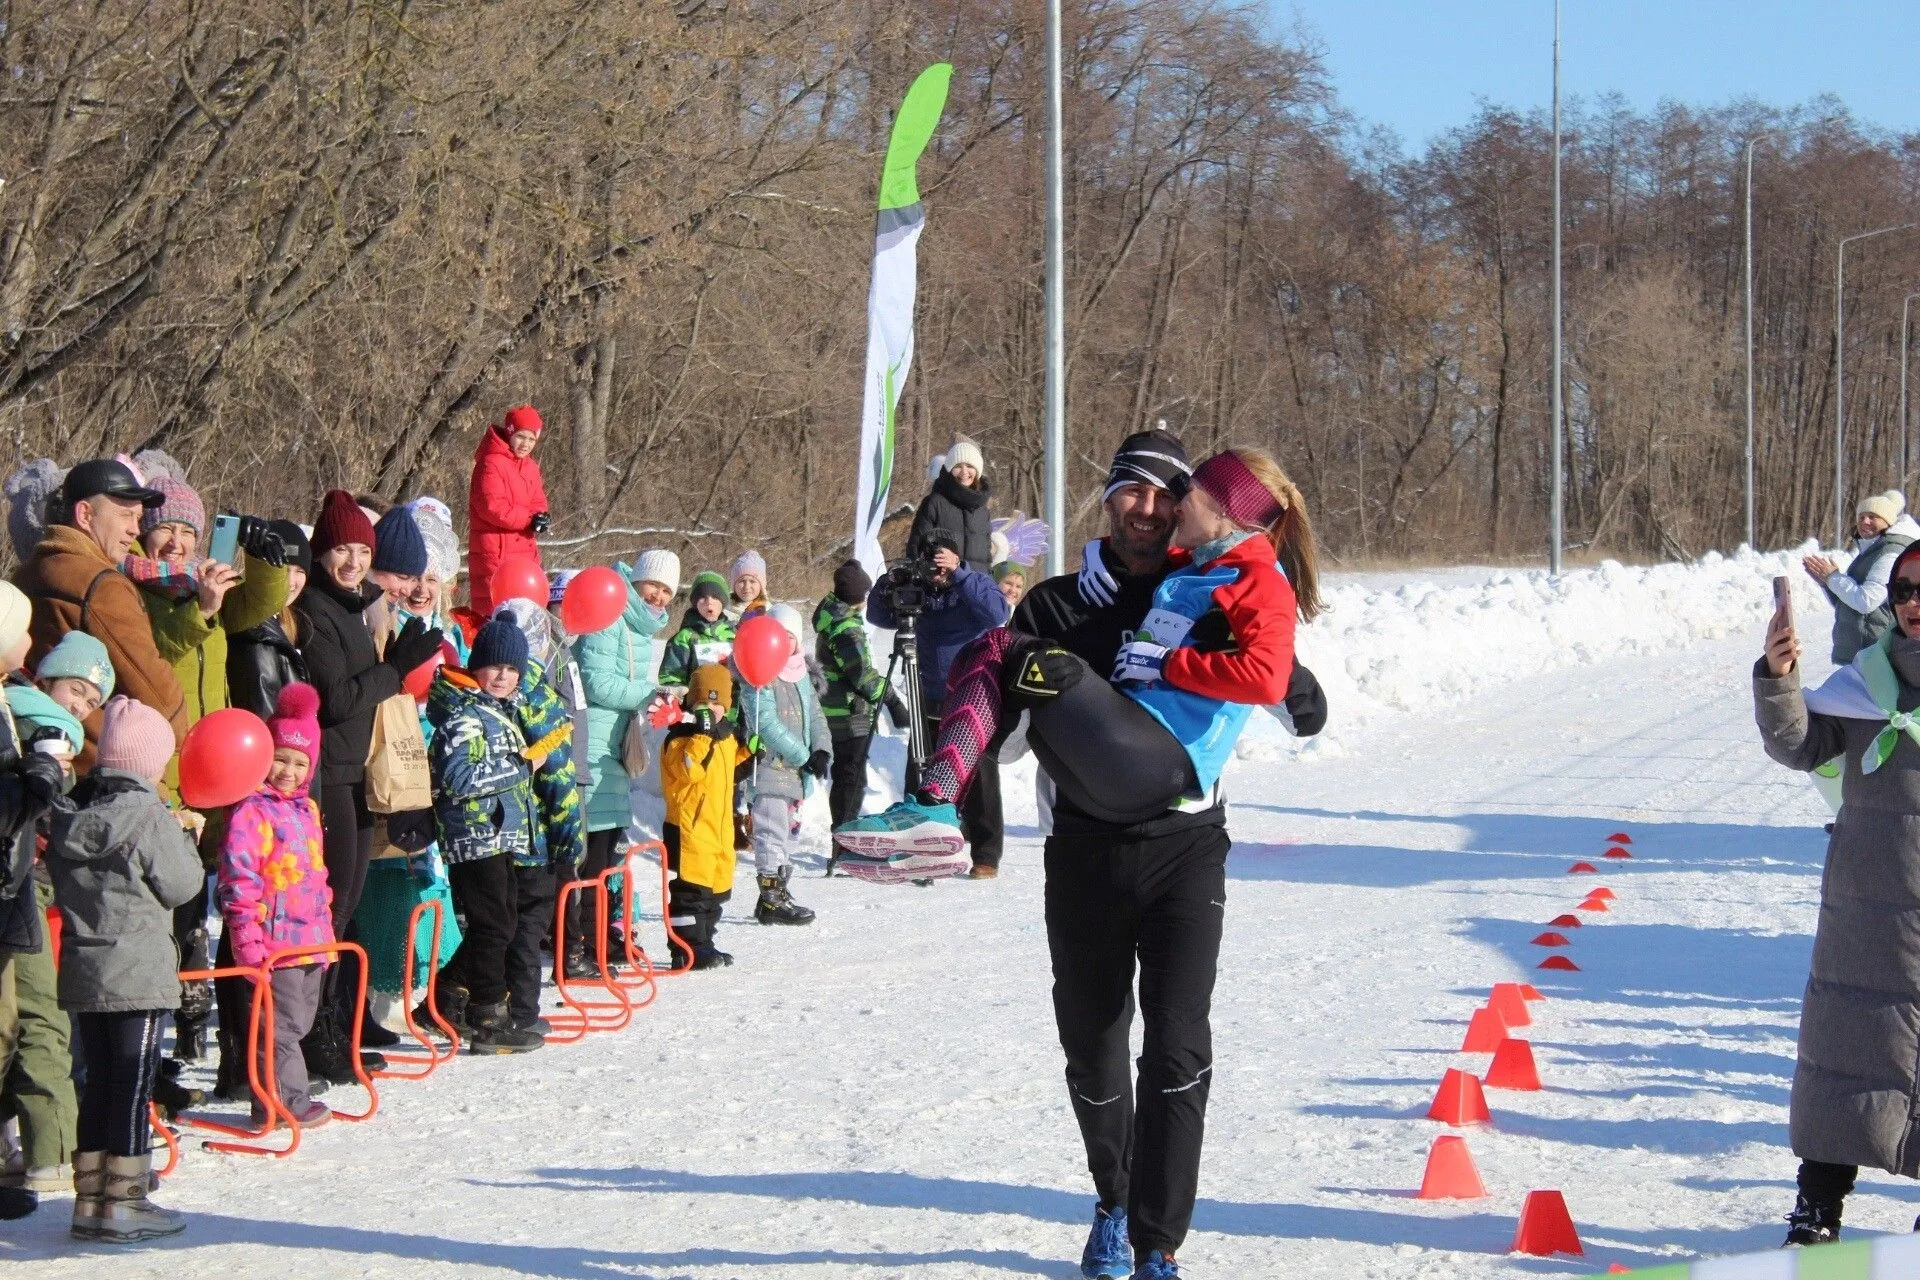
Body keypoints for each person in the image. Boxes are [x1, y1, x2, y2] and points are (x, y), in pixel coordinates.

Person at [847, 432, 1329, 1280]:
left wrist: (1289, 680)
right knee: (1096, 1052)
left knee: (1179, 1047)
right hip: (1084, 851)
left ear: (1189, 504)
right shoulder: (1057, 605)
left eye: (1163, 493)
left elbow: (1286, 690)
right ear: (1106, 500)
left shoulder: (1214, 584)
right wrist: (968, 685)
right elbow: (1006, 741)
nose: (1146, 508)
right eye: (1129, 492)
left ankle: (1159, 1242)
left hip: (1184, 849)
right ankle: (1113, 1201)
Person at [1757, 541, 1920, 1245]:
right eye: (1906, 589)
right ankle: (1818, 1206)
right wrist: (1779, 675)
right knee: (1845, 1054)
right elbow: (1800, 745)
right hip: (1870, 907)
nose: (1913, 603)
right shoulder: (1868, 680)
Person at [295, 491, 442, 1082]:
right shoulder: (314, 610)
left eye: (361, 549)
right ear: (321, 553)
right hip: (327, 772)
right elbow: (340, 698)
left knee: (346, 907)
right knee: (331, 909)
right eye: (341, 549)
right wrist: (397, 665)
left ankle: (340, 1025)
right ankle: (315, 1035)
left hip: (356, 772)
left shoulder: (354, 604)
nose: (352, 561)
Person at [44, 695, 201, 1243]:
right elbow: (182, 885)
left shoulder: (73, 815)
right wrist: (184, 838)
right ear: (148, 763)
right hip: (135, 973)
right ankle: (127, 1202)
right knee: (132, 1088)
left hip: (85, 968)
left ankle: (91, 1200)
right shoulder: (148, 815)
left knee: (99, 1087)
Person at [0, 630, 104, 1198]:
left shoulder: (40, 727)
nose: (79, 707)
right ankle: (54, 1151)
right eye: (75, 689)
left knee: (23, 1018)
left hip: (29, 884)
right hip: (22, 887)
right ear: (45, 678)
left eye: (91, 703)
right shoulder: (35, 722)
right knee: (42, 1015)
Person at [12, 459, 186, 768]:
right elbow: (159, 698)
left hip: (33, 754)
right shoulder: (103, 586)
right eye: (125, 515)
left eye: (139, 517)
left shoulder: (26, 574)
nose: (136, 529)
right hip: (93, 767)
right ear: (85, 514)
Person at [215, 683, 334, 1130]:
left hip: (309, 940)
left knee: (298, 1024)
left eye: (299, 762)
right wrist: (246, 939)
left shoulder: (306, 811)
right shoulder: (252, 811)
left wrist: (325, 934)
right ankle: (282, 1102)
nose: (288, 770)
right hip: (274, 940)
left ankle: (281, 1095)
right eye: (280, 758)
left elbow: (317, 878)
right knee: (279, 1027)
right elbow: (238, 881)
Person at [425, 619, 545, 1053]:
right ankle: (487, 1016)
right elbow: (458, 777)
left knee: (501, 923)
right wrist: (521, 765)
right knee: (492, 927)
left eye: (511, 670)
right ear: (476, 669)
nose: (502, 677)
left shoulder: (499, 713)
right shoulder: (466, 717)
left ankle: (447, 995)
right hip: (474, 839)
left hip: (498, 837)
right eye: (493, 667)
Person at [862, 529, 1010, 877]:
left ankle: (986, 854)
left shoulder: (975, 584)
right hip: (924, 694)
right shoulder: (918, 590)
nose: (936, 571)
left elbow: (996, 613)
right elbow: (878, 617)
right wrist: (888, 583)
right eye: (932, 564)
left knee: (980, 778)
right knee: (920, 772)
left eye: (942, 562)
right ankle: (918, 844)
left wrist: (958, 574)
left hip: (970, 697)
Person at [0, 582, 71, 1223]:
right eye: (22, 633)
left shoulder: (3, 702)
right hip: (6, 885)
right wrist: (41, 772)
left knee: (11, 1027)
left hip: (11, 885)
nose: (31, 647)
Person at [571, 549, 677, 968]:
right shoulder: (611, 612)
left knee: (607, 853)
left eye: (668, 591)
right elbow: (596, 682)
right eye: (654, 586)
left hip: (613, 750)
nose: (659, 597)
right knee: (589, 855)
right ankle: (575, 943)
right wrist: (648, 694)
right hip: (589, 747)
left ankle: (601, 937)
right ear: (637, 581)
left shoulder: (638, 629)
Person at [739, 605, 827, 925]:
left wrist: (822, 750)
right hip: (768, 766)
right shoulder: (758, 675)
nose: (784, 642)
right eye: (778, 635)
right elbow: (765, 723)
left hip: (793, 772)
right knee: (770, 831)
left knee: (784, 833)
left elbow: (815, 716)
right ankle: (771, 896)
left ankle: (777, 893)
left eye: (790, 636)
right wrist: (804, 756)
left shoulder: (800, 672)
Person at [812, 561, 908, 828]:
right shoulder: (846, 629)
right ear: (858, 596)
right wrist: (892, 700)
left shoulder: (835, 620)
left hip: (838, 710)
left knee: (847, 775)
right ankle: (843, 837)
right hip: (849, 714)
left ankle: (843, 834)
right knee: (850, 778)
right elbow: (863, 678)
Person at [660, 664, 743, 969]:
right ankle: (686, 948)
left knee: (714, 894)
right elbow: (690, 770)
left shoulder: (725, 737)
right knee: (691, 894)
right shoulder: (681, 737)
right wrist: (701, 734)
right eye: (703, 704)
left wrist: (748, 753)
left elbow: (728, 770)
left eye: (717, 703)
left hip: (718, 830)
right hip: (689, 830)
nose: (711, 710)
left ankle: (705, 941)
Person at [1804, 490, 1920, 664]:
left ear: (1887, 522)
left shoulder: (1890, 553)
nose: (1865, 521)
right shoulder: (1871, 552)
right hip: (1859, 652)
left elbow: (1867, 601)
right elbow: (1847, 604)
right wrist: (1827, 583)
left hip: (1872, 653)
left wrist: (1834, 578)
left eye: (1873, 517)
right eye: (1861, 517)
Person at [466, 405, 551, 618]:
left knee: (526, 615)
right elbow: (492, 507)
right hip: (496, 552)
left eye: (532, 440)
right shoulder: (490, 463)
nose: (526, 444)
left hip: (525, 552)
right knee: (495, 613)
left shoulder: (530, 467)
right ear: (511, 433)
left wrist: (541, 516)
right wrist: (529, 520)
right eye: (521, 437)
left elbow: (538, 501)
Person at [226, 520, 312, 720]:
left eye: (299, 571)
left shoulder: (292, 623)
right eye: (284, 569)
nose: (291, 581)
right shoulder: (255, 633)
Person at [905, 439, 994, 572]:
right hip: (940, 587)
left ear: (978, 470)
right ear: (949, 469)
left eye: (969, 466)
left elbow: (986, 560)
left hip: (973, 588)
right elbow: (916, 549)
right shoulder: (935, 503)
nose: (964, 472)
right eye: (958, 466)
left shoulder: (983, 512)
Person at [658, 571, 736, 688]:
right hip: (695, 704)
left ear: (723, 602)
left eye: (715, 597)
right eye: (702, 598)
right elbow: (671, 676)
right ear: (695, 604)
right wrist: (676, 696)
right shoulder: (685, 637)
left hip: (731, 704)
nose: (709, 602)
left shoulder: (734, 636)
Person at [726, 550, 769, 623]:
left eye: (752, 581)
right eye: (741, 581)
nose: (746, 586)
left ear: (761, 585)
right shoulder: (723, 614)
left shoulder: (770, 613)